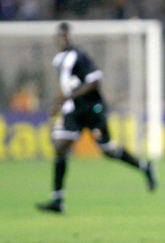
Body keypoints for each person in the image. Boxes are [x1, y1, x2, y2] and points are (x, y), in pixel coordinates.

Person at [36, 22, 156, 213]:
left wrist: (69, 97)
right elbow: (68, 86)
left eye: (65, 37)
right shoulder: (58, 60)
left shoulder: (79, 56)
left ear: (71, 37)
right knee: (60, 146)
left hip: (92, 109)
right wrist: (59, 103)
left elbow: (94, 82)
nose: (62, 40)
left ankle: (145, 166)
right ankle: (57, 200)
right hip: (74, 111)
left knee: (108, 150)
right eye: (59, 37)